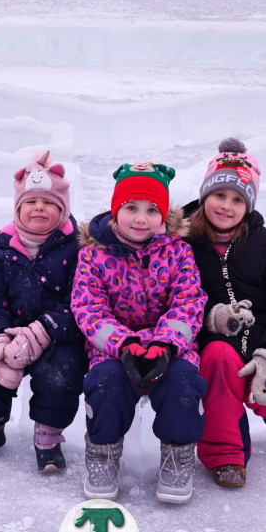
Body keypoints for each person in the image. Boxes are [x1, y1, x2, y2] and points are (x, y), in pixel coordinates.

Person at [184, 137, 266, 489]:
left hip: (264, 344)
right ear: (204, 195)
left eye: (237, 199)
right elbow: (171, 298)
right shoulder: (183, 240)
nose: (226, 206)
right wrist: (211, 318)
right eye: (219, 195)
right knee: (216, 360)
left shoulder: (265, 243)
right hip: (215, 343)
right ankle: (225, 454)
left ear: (249, 205)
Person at [71, 161, 207, 504]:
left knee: (183, 383)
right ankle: (102, 453)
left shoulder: (179, 252)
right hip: (115, 350)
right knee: (105, 384)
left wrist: (165, 344)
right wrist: (125, 344)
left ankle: (178, 455)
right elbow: (88, 308)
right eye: (131, 208)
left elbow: (188, 302)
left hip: (170, 349)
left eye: (151, 210)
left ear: (164, 217)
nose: (141, 218)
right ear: (116, 210)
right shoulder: (93, 255)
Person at [0, 151, 87, 474]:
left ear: (63, 210)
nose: (39, 208)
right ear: (18, 209)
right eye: (31, 203)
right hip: (11, 337)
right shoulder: (3, 247)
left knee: (59, 374)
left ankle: (48, 437)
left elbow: (80, 301)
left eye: (49, 204)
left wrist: (42, 331)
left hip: (58, 339)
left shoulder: (77, 247)